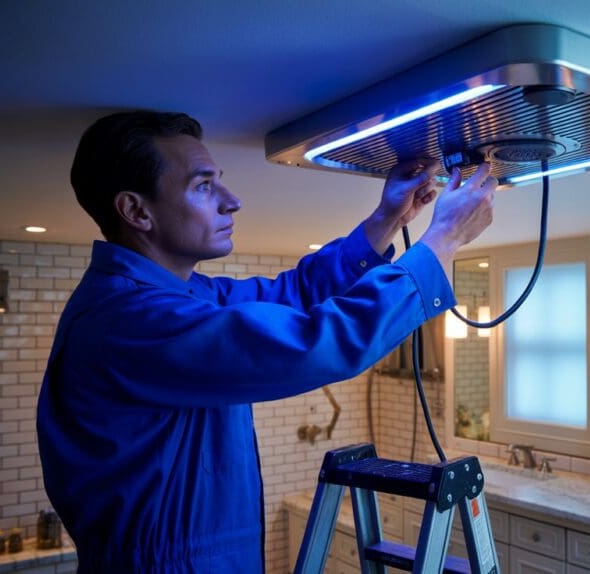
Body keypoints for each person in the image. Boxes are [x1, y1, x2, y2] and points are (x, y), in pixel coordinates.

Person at [36, 110, 496, 572]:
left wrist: (386, 219)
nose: (232, 201)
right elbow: (313, 344)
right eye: (203, 186)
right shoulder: (129, 320)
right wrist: (442, 240)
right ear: (137, 211)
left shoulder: (186, 295)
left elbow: (292, 294)